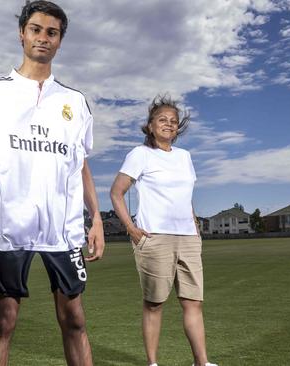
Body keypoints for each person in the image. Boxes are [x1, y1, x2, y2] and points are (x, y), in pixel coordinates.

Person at [0, 1, 104, 365]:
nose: (43, 38)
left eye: (52, 33)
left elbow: (82, 164)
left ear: (60, 41)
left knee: (74, 319)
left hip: (64, 228)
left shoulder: (76, 102)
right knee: (5, 321)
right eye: (36, 30)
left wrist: (97, 217)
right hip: (11, 224)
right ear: (22, 34)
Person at [110, 95, 216, 366]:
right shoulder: (140, 154)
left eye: (173, 121)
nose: (168, 124)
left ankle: (202, 363)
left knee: (193, 302)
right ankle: (152, 363)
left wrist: (195, 226)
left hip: (188, 238)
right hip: (154, 238)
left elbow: (186, 196)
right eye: (162, 120)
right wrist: (131, 229)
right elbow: (117, 193)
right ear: (150, 125)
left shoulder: (185, 157)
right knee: (154, 304)